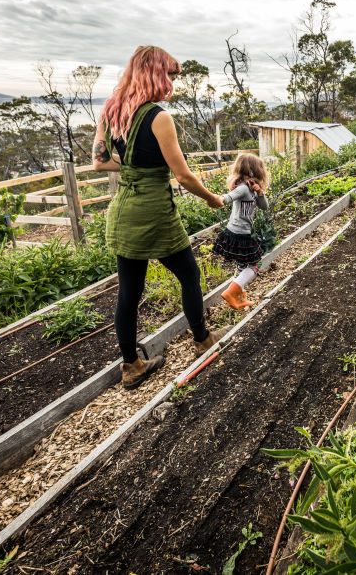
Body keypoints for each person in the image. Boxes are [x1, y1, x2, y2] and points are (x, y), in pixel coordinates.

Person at [93, 45, 230, 389]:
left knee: (129, 292)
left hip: (123, 209)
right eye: (169, 74)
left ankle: (132, 366)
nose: (171, 81)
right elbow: (182, 175)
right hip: (154, 211)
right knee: (189, 273)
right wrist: (213, 199)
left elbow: (99, 160)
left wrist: (130, 166)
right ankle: (201, 339)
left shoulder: (112, 111)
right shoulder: (159, 117)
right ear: (155, 73)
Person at [212, 153, 271, 310]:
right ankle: (231, 293)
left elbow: (265, 207)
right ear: (252, 170)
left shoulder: (251, 189)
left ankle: (240, 297)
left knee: (240, 266)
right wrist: (218, 199)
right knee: (255, 264)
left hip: (240, 233)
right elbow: (229, 197)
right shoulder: (244, 188)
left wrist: (259, 192)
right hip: (239, 234)